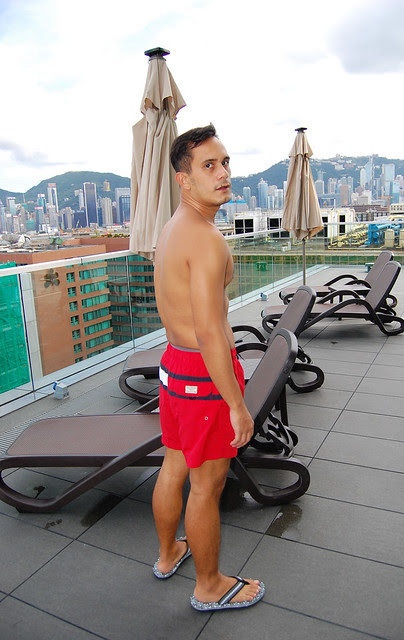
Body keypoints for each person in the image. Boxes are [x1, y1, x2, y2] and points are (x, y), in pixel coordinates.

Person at [152, 124, 265, 611]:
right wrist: (236, 405)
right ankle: (209, 585)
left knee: (174, 464)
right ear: (184, 179)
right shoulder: (205, 239)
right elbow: (210, 332)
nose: (223, 173)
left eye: (225, 163)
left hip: (174, 367)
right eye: (209, 166)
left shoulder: (173, 228)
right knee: (206, 486)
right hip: (202, 374)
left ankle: (168, 553)